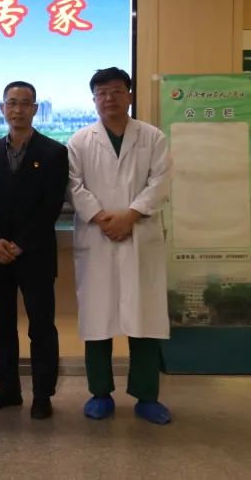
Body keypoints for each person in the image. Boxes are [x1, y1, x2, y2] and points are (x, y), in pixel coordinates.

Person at [68, 67, 172, 425]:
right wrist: (102, 218)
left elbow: (160, 181)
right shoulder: (80, 141)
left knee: (145, 318)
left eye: (115, 91)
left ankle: (147, 396)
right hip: (97, 239)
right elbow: (74, 186)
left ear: (129, 94)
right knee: (97, 319)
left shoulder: (152, 137)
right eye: (101, 93)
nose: (108, 98)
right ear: (93, 99)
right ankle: (100, 393)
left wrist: (130, 215)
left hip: (139, 235)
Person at [0, 81, 68, 420]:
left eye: (24, 103)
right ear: (2, 108)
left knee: (41, 327)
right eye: (11, 103)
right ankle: (8, 389)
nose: (17, 109)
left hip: (36, 254)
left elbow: (51, 207)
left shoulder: (54, 152)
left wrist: (21, 243)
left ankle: (42, 394)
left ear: (35, 109)